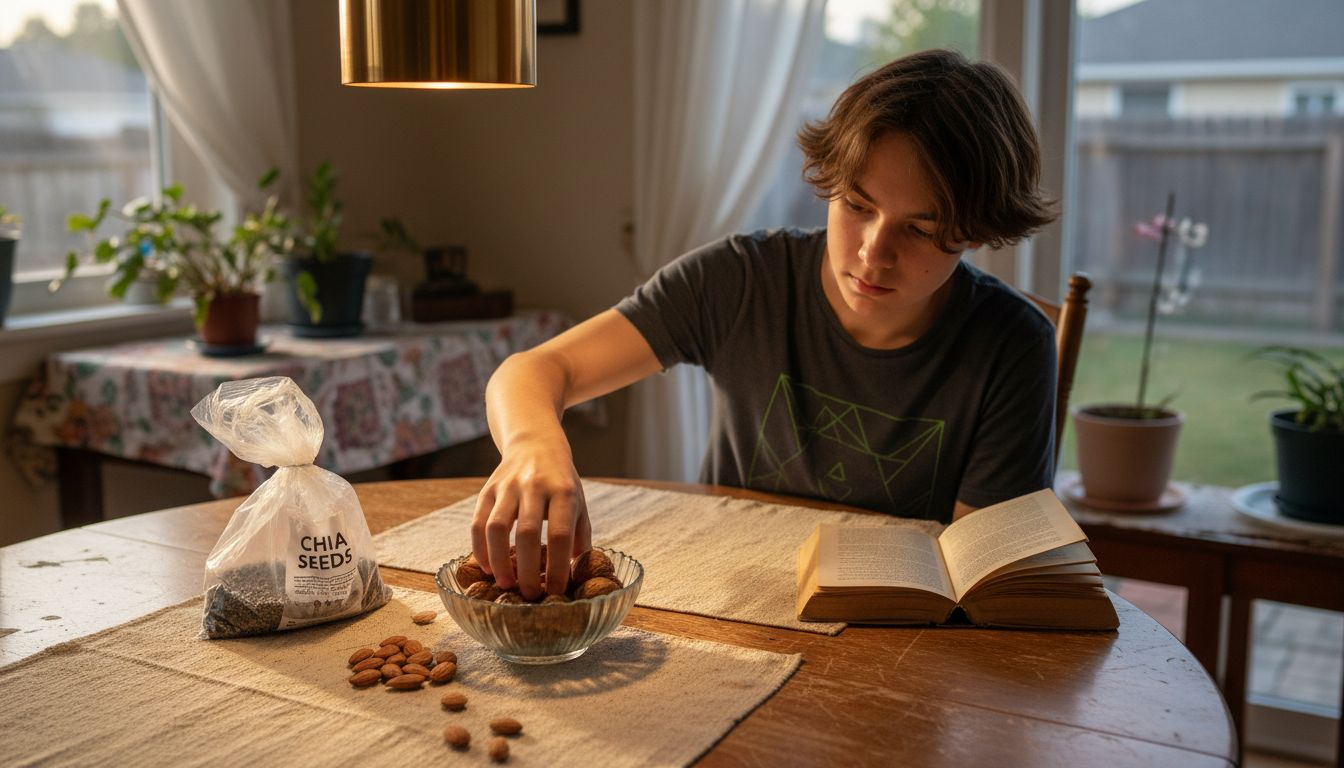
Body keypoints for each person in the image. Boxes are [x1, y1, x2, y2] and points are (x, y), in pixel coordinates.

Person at [471, 48, 1059, 600]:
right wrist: (533, 446)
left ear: (978, 231)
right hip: (728, 594)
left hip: (896, 639)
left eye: (922, 230)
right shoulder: (740, 280)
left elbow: (983, 580)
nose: (872, 254)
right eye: (857, 206)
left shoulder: (1013, 345)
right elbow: (536, 370)